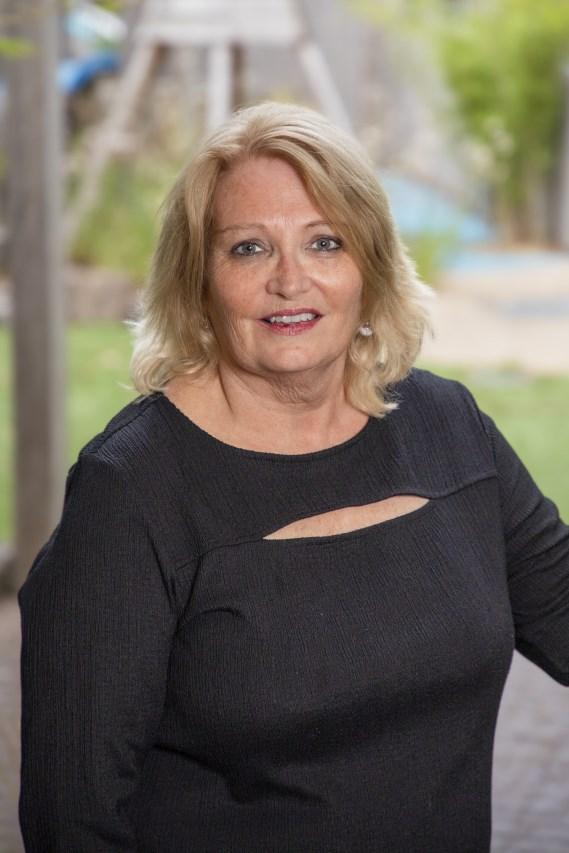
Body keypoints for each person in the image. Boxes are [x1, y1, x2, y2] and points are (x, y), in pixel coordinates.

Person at [19, 102, 569, 853]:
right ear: (197, 280)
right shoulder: (130, 491)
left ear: (369, 267)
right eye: (248, 248)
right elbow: (73, 820)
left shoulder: (449, 428)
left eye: (324, 242)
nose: (290, 280)